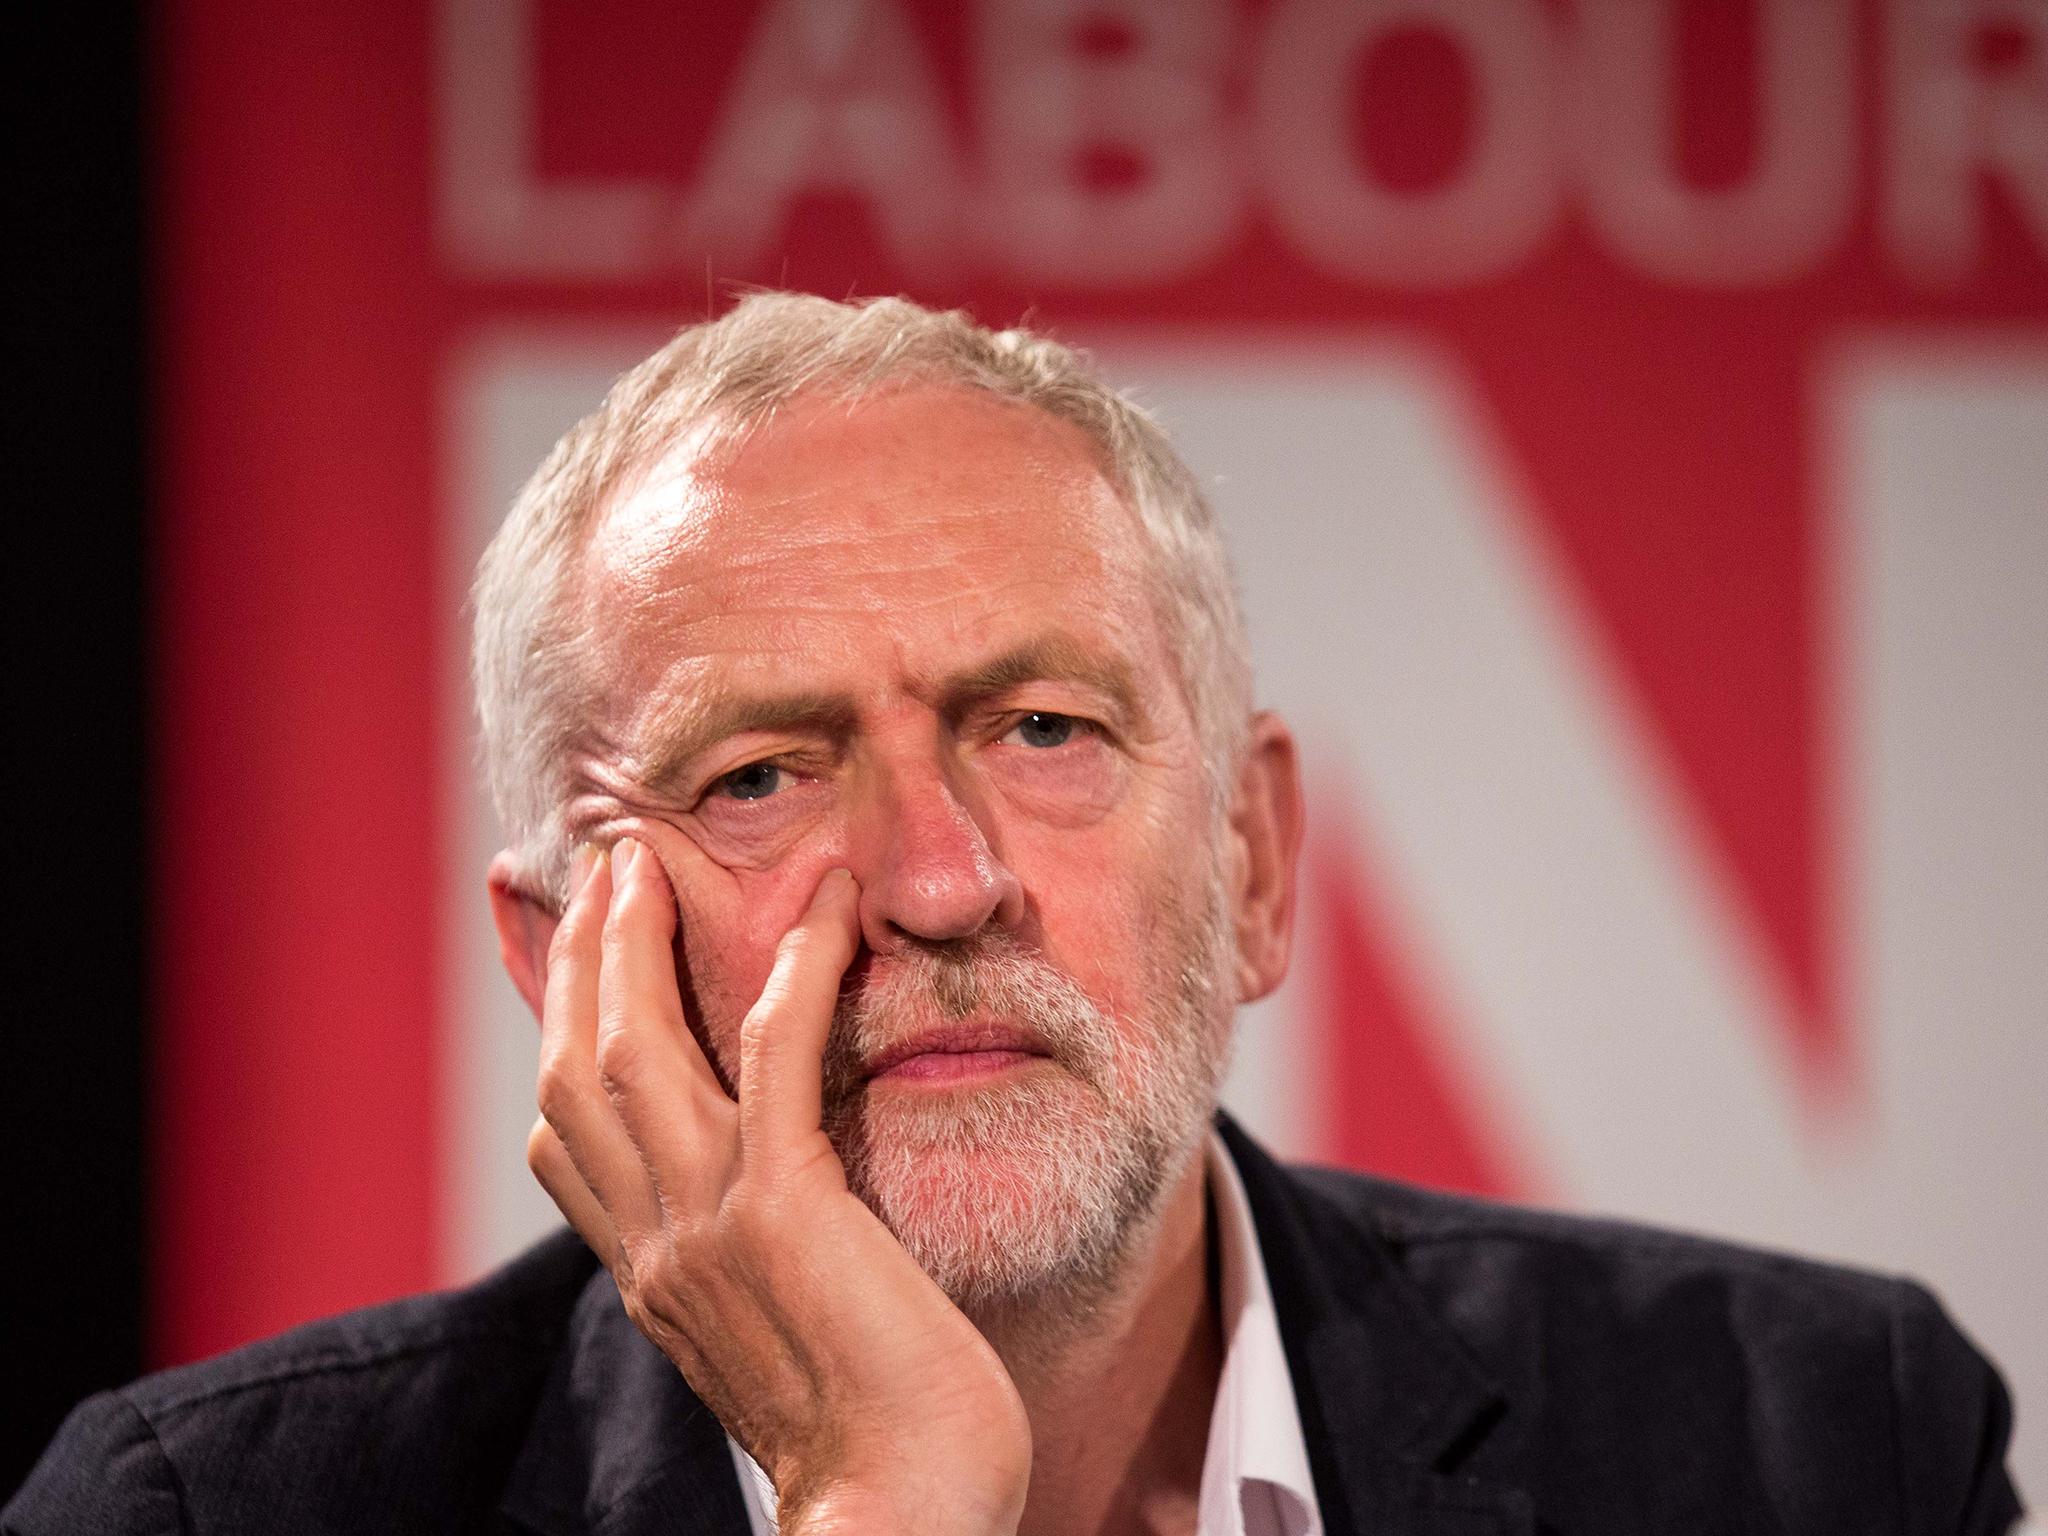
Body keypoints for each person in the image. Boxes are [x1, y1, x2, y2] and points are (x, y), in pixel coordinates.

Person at [7, 294, 2024, 1535]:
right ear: (562, 973)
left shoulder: (1814, 1444)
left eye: (1044, 729)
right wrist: (875, 1504)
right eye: (761, 775)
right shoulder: (206, 1516)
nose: (940, 882)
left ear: (1245, 865)